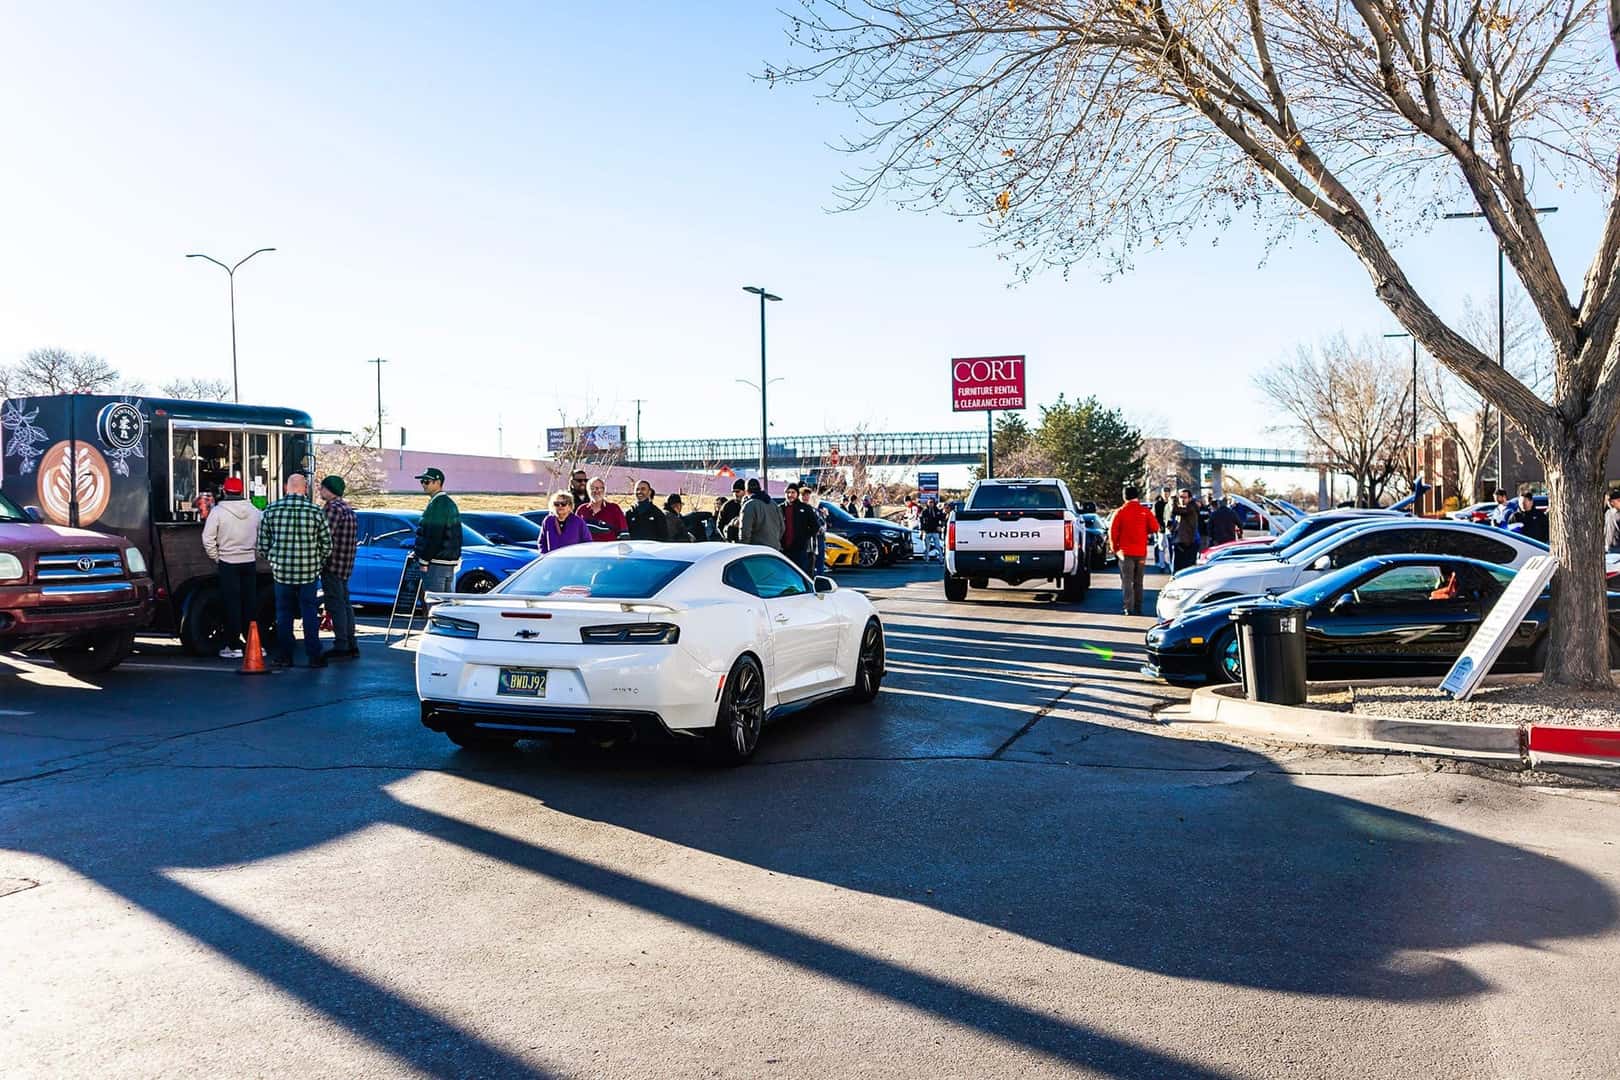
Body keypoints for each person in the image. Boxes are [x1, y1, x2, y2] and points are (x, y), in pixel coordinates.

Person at [256, 473, 332, 668]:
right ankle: (314, 655)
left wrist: (274, 559)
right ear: (304, 488)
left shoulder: (271, 510)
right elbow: (327, 544)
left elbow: (262, 545)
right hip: (308, 572)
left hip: (282, 572)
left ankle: (285, 655)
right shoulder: (315, 511)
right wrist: (317, 562)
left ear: (285, 488)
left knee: (283, 614)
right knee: (309, 612)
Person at [201, 476, 260, 659]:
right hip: (249, 562)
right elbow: (262, 536)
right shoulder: (255, 511)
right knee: (250, 603)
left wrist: (217, 557)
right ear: (242, 491)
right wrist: (254, 552)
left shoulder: (218, 511)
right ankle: (254, 642)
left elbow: (207, 539)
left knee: (231, 604)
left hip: (228, 562)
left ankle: (233, 645)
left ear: (225, 491)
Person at [318, 475, 359, 661]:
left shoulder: (333, 509)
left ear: (330, 490)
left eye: (322, 488)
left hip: (333, 565)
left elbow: (324, 536)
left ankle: (341, 645)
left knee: (336, 606)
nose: (320, 491)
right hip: (346, 565)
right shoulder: (348, 509)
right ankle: (351, 644)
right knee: (345, 605)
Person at [1109, 485, 1159, 617]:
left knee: (1127, 581)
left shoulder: (1120, 512)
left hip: (1125, 552)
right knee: (1139, 581)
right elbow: (1155, 527)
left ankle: (1128, 607)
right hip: (1141, 551)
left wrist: (1115, 549)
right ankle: (1138, 607)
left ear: (1124, 496)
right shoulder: (1144, 511)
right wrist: (1144, 532)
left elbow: (1113, 532)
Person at [413, 467, 462, 597]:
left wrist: (424, 560)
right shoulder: (449, 503)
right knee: (444, 607)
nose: (423, 484)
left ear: (438, 482)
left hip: (436, 563)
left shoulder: (437, 504)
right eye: (422, 481)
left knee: (434, 604)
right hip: (448, 563)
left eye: (426, 481)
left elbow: (434, 535)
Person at [781, 483, 820, 575]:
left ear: (797, 494)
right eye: (788, 492)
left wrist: (804, 537)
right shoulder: (780, 508)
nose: (790, 495)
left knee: (800, 573)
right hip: (784, 548)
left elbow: (815, 526)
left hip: (800, 549)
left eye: (793, 492)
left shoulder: (805, 508)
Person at [740, 477, 783, 550]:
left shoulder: (749, 505)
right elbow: (782, 527)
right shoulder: (773, 504)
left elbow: (745, 532)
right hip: (774, 549)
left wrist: (744, 549)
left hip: (757, 550)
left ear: (746, 491)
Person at [579, 477, 628, 541]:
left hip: (607, 550)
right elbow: (575, 533)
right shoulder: (582, 510)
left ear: (604, 490)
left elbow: (624, 535)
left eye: (600, 488)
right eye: (593, 488)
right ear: (588, 491)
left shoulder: (614, 509)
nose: (596, 491)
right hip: (586, 550)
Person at [1171, 489, 1202, 572]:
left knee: (1186, 569)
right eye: (1180, 497)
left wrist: (1172, 501)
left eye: (1185, 497)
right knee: (1178, 567)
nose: (1182, 499)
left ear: (1190, 498)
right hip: (1181, 541)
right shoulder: (1184, 508)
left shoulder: (1191, 507)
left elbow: (1175, 510)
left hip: (1188, 543)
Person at [1606, 489, 1620, 555]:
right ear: (1612, 502)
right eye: (1619, 501)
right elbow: (1609, 531)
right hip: (1612, 549)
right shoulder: (1610, 513)